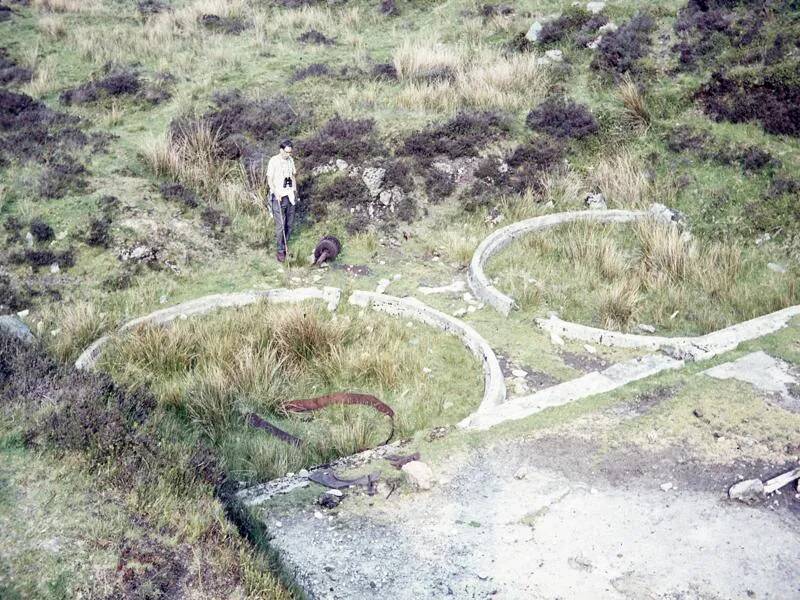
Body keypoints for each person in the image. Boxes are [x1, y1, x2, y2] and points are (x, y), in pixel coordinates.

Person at [266, 139, 298, 263]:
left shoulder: (291, 161)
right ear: (281, 150)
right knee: (280, 226)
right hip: (278, 197)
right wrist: (275, 192)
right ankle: (280, 250)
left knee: (289, 224)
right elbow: (269, 180)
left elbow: (293, 177)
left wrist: (295, 191)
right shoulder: (273, 161)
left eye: (290, 153)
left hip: (290, 196)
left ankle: (285, 245)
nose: (288, 155)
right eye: (286, 152)